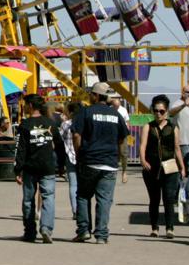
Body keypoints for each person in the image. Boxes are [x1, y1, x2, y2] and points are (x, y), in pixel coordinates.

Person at [72, 82, 129, 244]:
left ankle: (83, 231)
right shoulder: (115, 115)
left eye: (91, 94)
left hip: (89, 161)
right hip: (110, 163)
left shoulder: (86, 112)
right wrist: (120, 161)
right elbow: (122, 139)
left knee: (83, 196)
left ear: (96, 96)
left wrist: (78, 154)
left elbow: (76, 135)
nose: (89, 96)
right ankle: (101, 235)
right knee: (104, 200)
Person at [14, 94, 62, 243]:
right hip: (47, 166)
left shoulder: (25, 124)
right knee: (48, 198)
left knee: (28, 200)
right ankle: (46, 228)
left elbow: (21, 149)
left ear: (30, 105)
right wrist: (61, 165)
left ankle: (30, 232)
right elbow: (60, 145)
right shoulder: (50, 123)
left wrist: (18, 169)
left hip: (30, 168)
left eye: (25, 104)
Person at [138, 93, 184, 238]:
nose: (158, 114)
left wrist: (182, 167)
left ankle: (170, 228)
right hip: (152, 168)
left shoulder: (173, 127)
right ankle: (154, 227)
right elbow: (142, 145)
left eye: (162, 111)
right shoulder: (148, 126)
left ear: (167, 111)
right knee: (154, 198)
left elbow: (177, 148)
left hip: (170, 167)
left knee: (169, 198)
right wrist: (143, 160)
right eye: (156, 111)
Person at [169, 85, 189, 207]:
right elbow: (171, 113)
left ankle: (185, 194)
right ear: (183, 92)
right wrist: (183, 105)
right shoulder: (178, 104)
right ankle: (178, 196)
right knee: (182, 170)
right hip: (182, 143)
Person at [60, 102, 81, 219]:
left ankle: (75, 210)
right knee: (82, 185)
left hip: (70, 156)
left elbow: (59, 138)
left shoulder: (65, 124)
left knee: (73, 185)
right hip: (83, 157)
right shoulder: (84, 122)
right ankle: (82, 210)